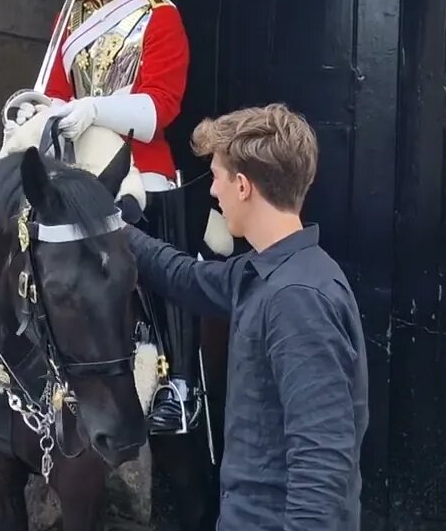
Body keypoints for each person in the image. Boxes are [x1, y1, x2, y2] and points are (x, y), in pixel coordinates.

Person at [7, 0, 203, 435]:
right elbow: (57, 94)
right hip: (75, 166)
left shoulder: (158, 16)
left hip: (140, 165)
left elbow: (160, 108)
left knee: (164, 273)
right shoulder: (70, 22)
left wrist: (92, 108)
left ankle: (177, 384)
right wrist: (40, 112)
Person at [121, 103, 369, 529]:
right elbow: (185, 277)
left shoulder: (297, 299)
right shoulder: (264, 272)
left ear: (242, 186)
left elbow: (321, 466)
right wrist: (112, 228)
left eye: (216, 177)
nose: (212, 192)